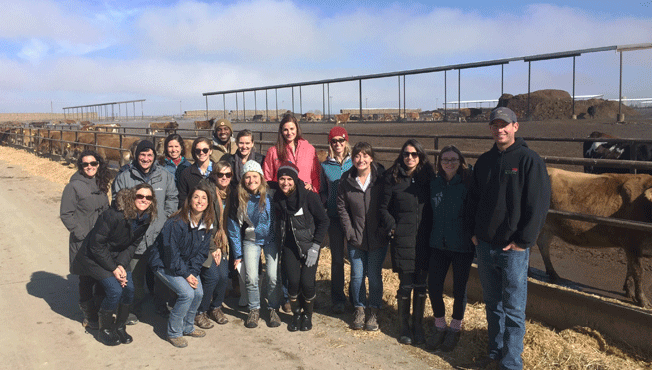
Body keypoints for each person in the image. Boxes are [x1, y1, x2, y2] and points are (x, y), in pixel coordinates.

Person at [470, 107, 550, 370]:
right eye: (495, 125)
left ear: (516, 127)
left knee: (514, 309)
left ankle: (512, 363)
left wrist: (523, 241)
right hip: (485, 246)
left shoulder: (529, 160)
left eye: (505, 125)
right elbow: (473, 200)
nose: (499, 129)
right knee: (493, 305)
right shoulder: (484, 162)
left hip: (512, 249)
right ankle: (495, 354)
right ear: (490, 129)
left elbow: (538, 204)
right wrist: (474, 232)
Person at [71, 184, 155, 346]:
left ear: (152, 201)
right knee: (115, 290)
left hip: (117, 258)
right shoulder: (114, 215)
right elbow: (96, 245)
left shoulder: (146, 218)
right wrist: (114, 268)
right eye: (140, 196)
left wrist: (122, 264)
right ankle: (105, 329)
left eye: (148, 197)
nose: (144, 200)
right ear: (132, 196)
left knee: (130, 289)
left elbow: (132, 245)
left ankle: (120, 326)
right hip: (94, 257)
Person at [112, 140, 178, 320]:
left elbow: (172, 198)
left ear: (154, 157)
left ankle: (160, 303)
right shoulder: (125, 176)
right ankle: (134, 306)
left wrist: (165, 217)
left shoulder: (164, 176)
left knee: (161, 273)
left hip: (159, 232)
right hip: (135, 234)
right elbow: (116, 200)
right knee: (135, 273)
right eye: (142, 155)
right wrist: (132, 218)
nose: (146, 158)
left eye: (150, 155)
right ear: (136, 155)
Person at [378, 139, 433, 345]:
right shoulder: (392, 178)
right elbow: (383, 208)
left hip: (425, 239)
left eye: (414, 154)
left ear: (420, 156)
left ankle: (417, 325)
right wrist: (393, 226)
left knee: (421, 285)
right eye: (406, 154)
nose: (410, 158)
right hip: (403, 238)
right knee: (406, 284)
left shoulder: (427, 178)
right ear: (401, 156)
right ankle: (404, 325)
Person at [148, 185, 214, 348]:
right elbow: (171, 254)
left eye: (204, 198)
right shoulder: (176, 222)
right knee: (187, 294)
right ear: (189, 200)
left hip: (185, 266)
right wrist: (186, 275)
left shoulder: (207, 223)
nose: (200, 201)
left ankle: (188, 327)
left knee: (198, 292)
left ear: (208, 202)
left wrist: (192, 272)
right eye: (196, 197)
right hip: (164, 264)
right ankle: (174, 332)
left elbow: (202, 254)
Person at [426, 145, 475, 352]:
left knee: (459, 289)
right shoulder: (434, 184)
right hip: (438, 243)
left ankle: (455, 328)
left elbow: (474, 211)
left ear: (460, 161)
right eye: (445, 159)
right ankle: (439, 325)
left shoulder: (467, 184)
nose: (449, 163)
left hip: (462, 245)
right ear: (440, 163)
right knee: (434, 286)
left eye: (454, 159)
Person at [336, 142, 388, 332]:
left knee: (374, 276)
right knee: (357, 276)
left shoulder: (381, 179)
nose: (361, 159)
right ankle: (359, 308)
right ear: (353, 158)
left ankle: (374, 310)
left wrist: (383, 231)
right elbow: (342, 208)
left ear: (371, 158)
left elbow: (388, 204)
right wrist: (349, 232)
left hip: (377, 239)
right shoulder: (346, 180)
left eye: (365, 155)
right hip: (355, 238)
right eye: (357, 156)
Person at [274, 162, 329, 331]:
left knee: (307, 282)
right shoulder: (277, 197)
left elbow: (324, 221)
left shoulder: (308, 197)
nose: (285, 183)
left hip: (309, 245)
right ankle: (296, 314)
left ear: (295, 179)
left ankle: (307, 315)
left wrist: (316, 246)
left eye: (289, 179)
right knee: (293, 282)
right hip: (290, 246)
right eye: (282, 179)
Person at [60, 150, 111, 330]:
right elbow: (66, 214)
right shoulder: (73, 186)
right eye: (85, 164)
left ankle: (100, 310)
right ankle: (89, 315)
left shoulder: (101, 181)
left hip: (102, 239)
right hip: (84, 240)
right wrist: (81, 233)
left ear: (99, 164)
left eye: (93, 163)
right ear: (80, 166)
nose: (90, 167)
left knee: (102, 277)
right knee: (87, 278)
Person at [227, 160, 280, 328]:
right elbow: (234, 226)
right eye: (247, 177)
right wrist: (238, 254)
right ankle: (254, 308)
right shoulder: (239, 197)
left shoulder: (271, 193)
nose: (251, 180)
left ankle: (273, 308)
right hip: (251, 240)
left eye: (255, 176)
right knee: (251, 277)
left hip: (271, 239)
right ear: (243, 180)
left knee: (272, 276)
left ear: (261, 177)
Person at [194, 161, 233, 328]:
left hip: (222, 241)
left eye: (228, 175)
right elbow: (201, 222)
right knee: (212, 276)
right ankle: (199, 311)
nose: (224, 178)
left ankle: (215, 307)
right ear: (214, 175)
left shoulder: (231, 193)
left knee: (224, 276)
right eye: (220, 174)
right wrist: (213, 247)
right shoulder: (206, 191)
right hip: (206, 240)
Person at [319, 126, 353, 314]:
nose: (338, 144)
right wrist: (326, 201)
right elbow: (323, 189)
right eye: (334, 141)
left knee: (356, 259)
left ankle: (357, 297)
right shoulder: (325, 166)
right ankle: (338, 298)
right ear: (330, 143)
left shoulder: (354, 163)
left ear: (346, 141)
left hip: (354, 218)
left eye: (341, 140)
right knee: (337, 259)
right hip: (334, 218)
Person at [263, 114, 320, 192]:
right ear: (281, 131)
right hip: (282, 197)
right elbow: (267, 178)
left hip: (305, 195)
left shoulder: (310, 149)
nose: (289, 133)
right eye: (285, 130)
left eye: (292, 129)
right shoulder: (273, 152)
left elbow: (315, 176)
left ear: (297, 129)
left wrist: (313, 190)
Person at [178, 137, 214, 208]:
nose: (201, 153)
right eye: (198, 150)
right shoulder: (186, 173)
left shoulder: (218, 171)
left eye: (205, 150)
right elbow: (183, 199)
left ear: (210, 151)